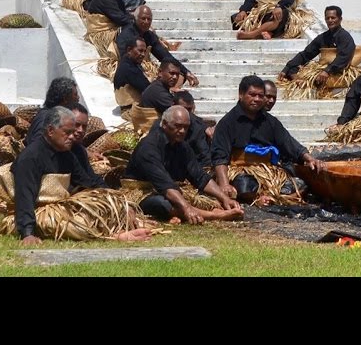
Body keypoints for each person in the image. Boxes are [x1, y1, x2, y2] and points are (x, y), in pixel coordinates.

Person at [13, 106, 150, 244]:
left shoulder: (66, 154)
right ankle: (115, 236)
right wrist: (27, 233)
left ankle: (122, 227)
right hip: (39, 212)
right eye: (67, 132)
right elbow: (24, 196)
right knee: (73, 223)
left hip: (60, 206)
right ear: (50, 131)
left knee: (97, 208)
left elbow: (89, 181)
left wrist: (121, 204)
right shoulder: (30, 157)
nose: (73, 136)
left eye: (73, 132)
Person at [210, 75, 326, 201]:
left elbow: (288, 142)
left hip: (268, 173)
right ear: (241, 94)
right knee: (244, 185)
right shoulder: (227, 123)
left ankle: (270, 197)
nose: (257, 99)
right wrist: (224, 184)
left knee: (300, 185)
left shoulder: (271, 122)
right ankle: (257, 198)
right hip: (242, 172)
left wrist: (309, 158)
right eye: (252, 95)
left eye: (260, 96)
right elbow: (220, 157)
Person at [126, 106, 244, 224]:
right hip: (142, 192)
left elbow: (200, 177)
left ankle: (212, 210)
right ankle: (214, 215)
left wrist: (224, 198)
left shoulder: (182, 146)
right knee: (162, 203)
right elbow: (165, 185)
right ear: (165, 124)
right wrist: (186, 208)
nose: (182, 131)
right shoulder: (149, 147)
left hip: (170, 189)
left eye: (186, 127)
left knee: (199, 197)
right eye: (177, 126)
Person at [115, 5, 198, 86]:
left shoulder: (149, 35)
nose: (146, 22)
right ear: (135, 18)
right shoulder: (127, 35)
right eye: (143, 18)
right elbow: (126, 60)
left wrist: (186, 72)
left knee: (178, 75)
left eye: (149, 19)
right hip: (130, 71)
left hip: (141, 70)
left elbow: (165, 56)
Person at [279, 5, 355, 87]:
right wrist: (287, 68)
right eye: (327, 18)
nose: (330, 20)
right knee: (292, 70)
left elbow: (343, 57)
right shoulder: (323, 37)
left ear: (340, 19)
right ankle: (298, 80)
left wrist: (327, 71)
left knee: (317, 79)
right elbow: (306, 54)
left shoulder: (345, 37)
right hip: (323, 69)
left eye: (333, 18)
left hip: (338, 70)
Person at [173, 90, 215, 165]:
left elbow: (204, 157)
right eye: (184, 109)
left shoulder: (197, 128)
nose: (187, 113)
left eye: (189, 109)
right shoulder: (163, 124)